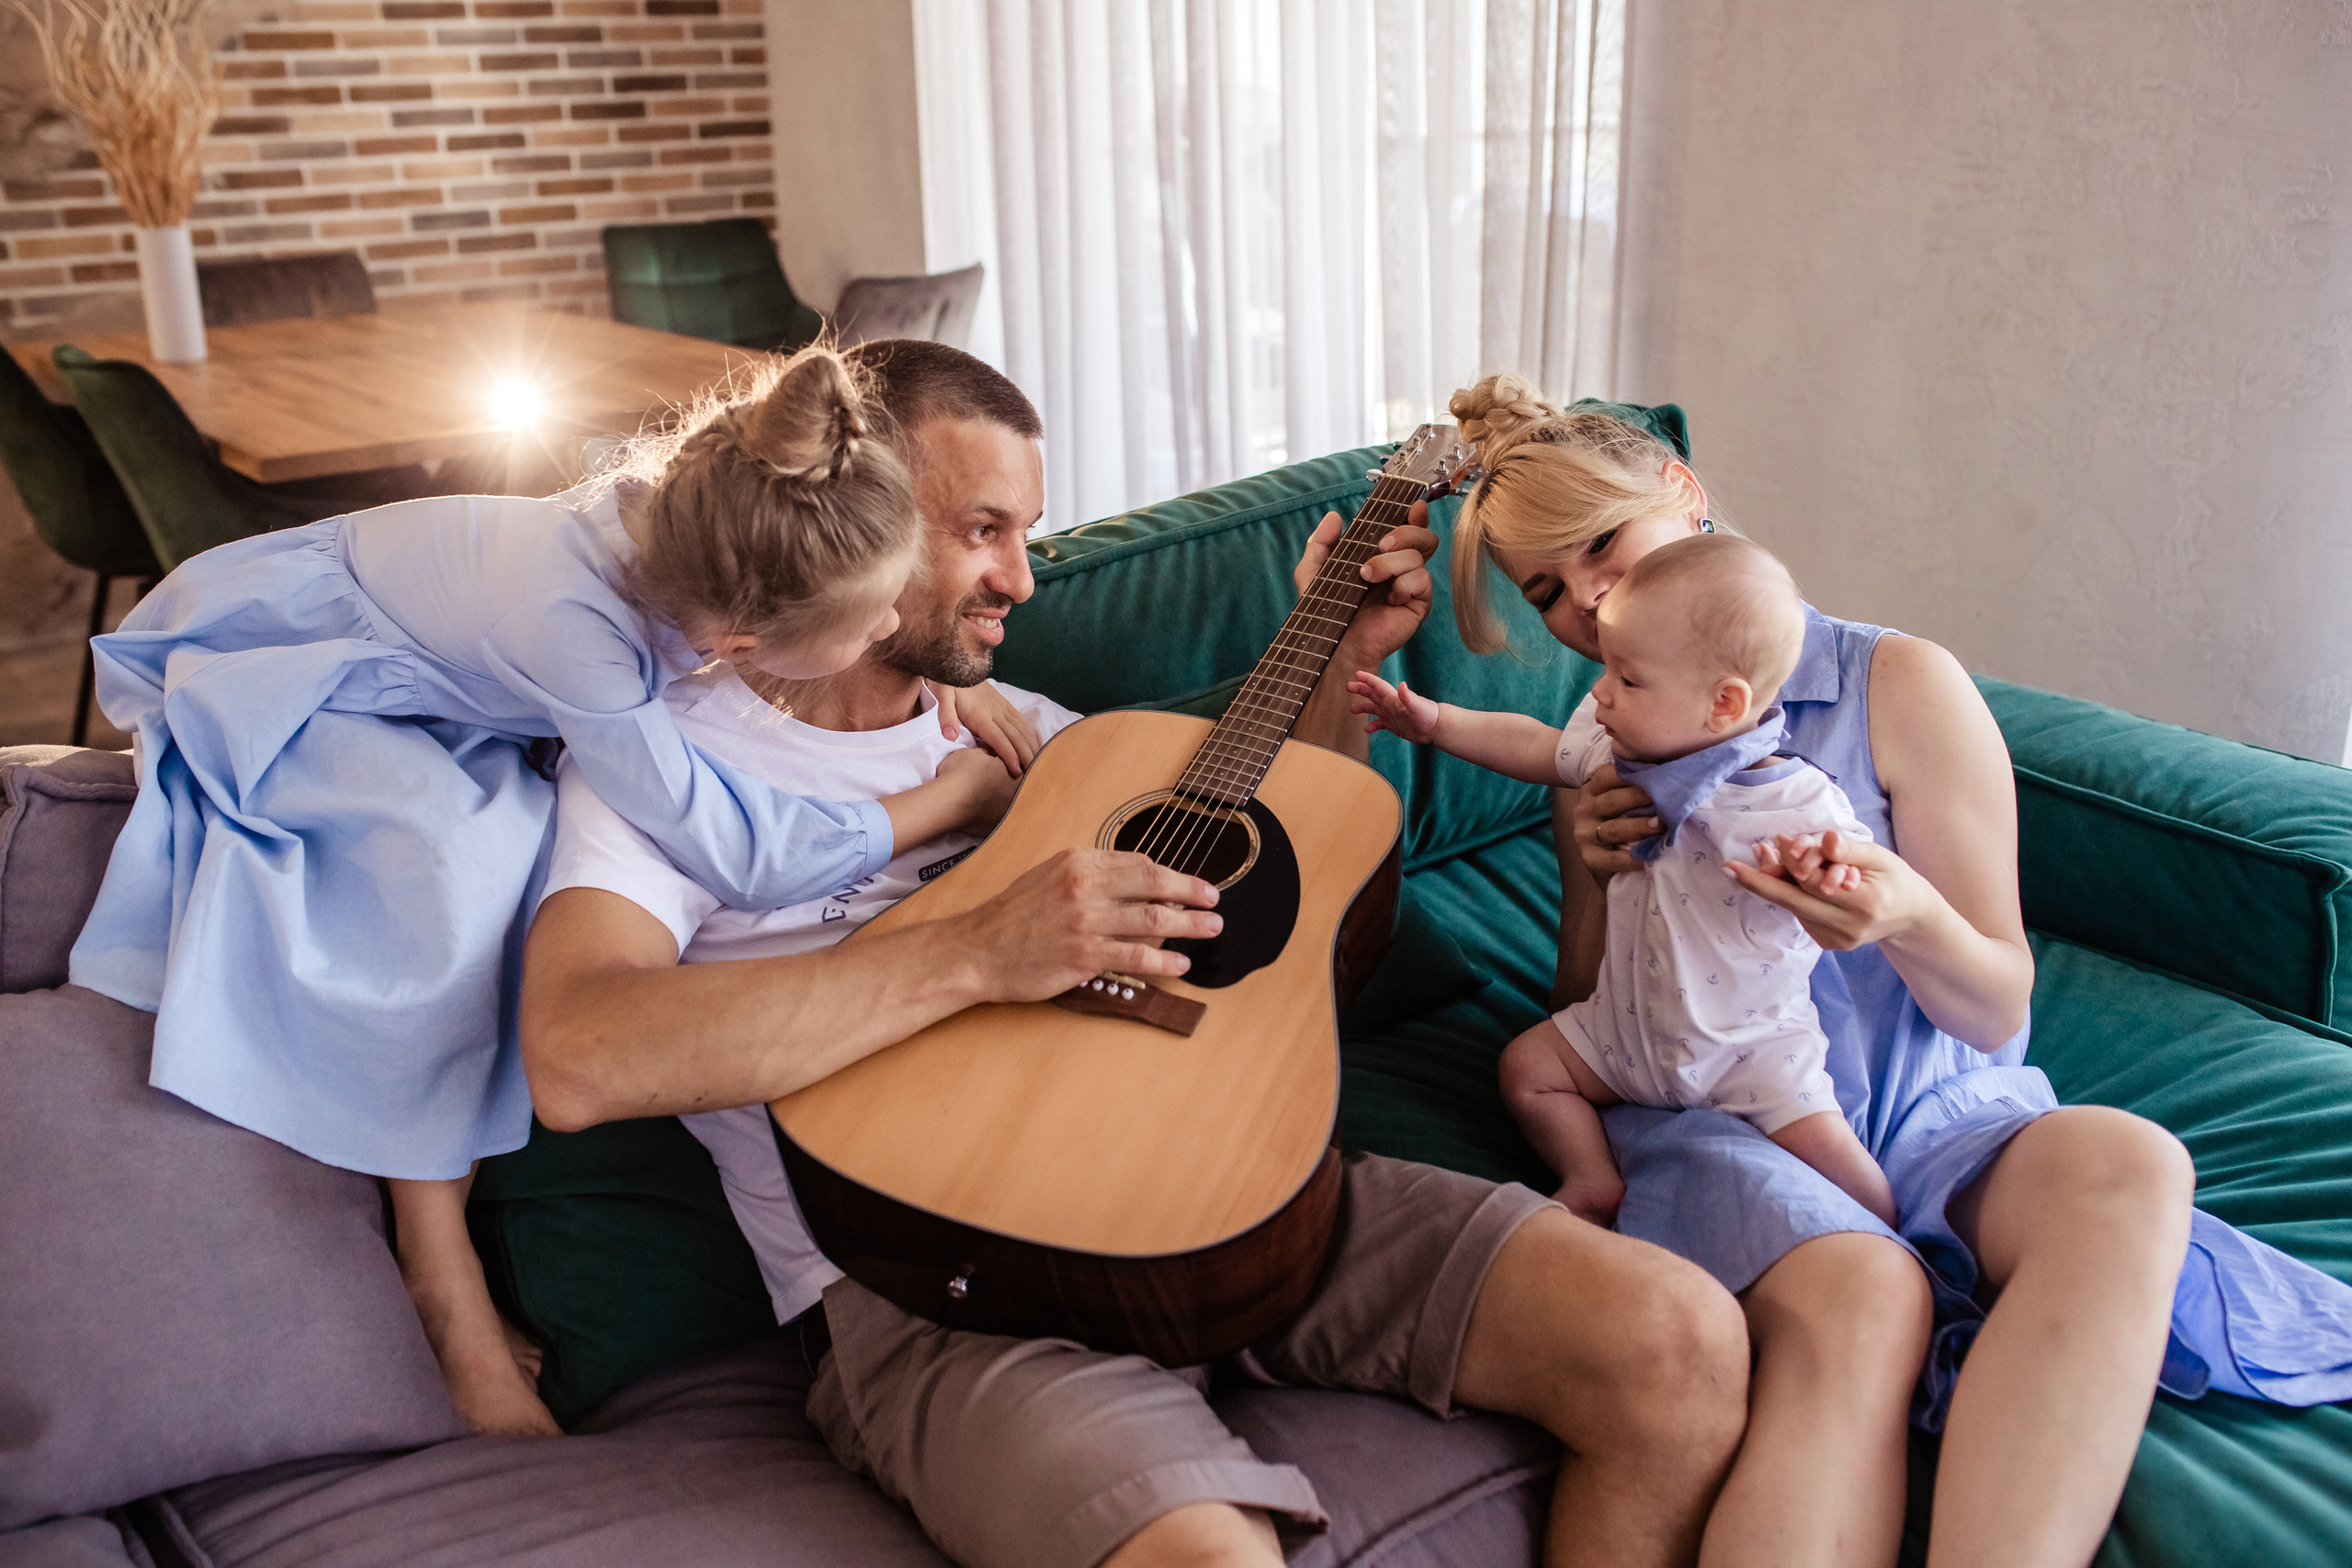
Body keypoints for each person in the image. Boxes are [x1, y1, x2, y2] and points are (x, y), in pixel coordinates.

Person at [520, 339, 1751, 1568]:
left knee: (1679, 1341)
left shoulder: (1057, 741)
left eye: (1030, 531)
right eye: (984, 530)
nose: (1023, 579)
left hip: (1247, 1201)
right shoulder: (666, 768)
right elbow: (579, 1053)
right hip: (940, 1279)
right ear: (860, 517)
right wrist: (979, 949)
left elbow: (1300, 852)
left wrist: (1342, 654)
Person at [1437, 373, 2352, 1568]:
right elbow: (1590, 1017)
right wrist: (1592, 865)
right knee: (1870, 1296)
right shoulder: (1610, 738)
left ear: (1684, 490)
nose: (1590, 600)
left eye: (1603, 544)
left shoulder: (1902, 685)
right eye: (1548, 590)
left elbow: (1996, 1000)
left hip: (1937, 1112)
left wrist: (1906, 911)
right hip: (1727, 1122)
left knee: (2133, 1162)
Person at [67, 345, 1034, 1438]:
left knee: (507, 829)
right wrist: (943, 804)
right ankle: (443, 1280)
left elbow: (823, 646)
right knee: (461, 870)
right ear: (739, 644)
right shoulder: (582, 637)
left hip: (448, 668)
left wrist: (952, 672)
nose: (881, 642)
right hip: (305, 668)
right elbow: (746, 856)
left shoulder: (698, 531)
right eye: (871, 626)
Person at [1350, 533, 1896, 1230]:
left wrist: (1829, 871)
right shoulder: (1616, 748)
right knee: (1526, 1068)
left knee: (1853, 1176)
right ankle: (1591, 1178)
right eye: (1606, 667)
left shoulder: (1795, 802)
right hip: (1625, 1035)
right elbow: (1534, 745)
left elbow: (1853, 876)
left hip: (1752, 1056)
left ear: (1724, 705)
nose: (1601, 692)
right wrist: (1432, 722)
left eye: (1628, 679)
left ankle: (1911, 1255)